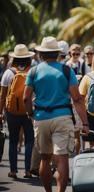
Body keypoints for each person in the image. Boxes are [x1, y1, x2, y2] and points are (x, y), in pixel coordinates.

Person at [23, 36, 89, 192]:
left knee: (45, 159)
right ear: (58, 53)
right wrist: (85, 123)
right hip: (62, 117)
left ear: (40, 54)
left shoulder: (33, 71)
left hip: (41, 118)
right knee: (62, 158)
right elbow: (77, 99)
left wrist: (30, 113)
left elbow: (26, 97)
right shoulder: (66, 70)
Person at [0, 44, 35, 178]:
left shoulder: (8, 73)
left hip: (11, 112)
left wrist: (0, 112)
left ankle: (13, 170)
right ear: (28, 58)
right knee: (29, 141)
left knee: (13, 141)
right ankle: (27, 170)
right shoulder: (32, 71)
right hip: (28, 111)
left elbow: (2, 96)